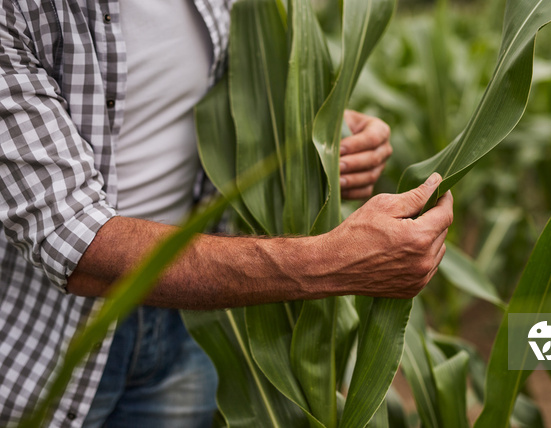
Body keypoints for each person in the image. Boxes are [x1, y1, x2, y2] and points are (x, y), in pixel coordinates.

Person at [0, 0, 453, 427]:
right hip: (50, 337)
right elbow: (74, 239)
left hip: (203, 315)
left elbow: (228, 90)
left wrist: (320, 132)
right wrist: (334, 261)